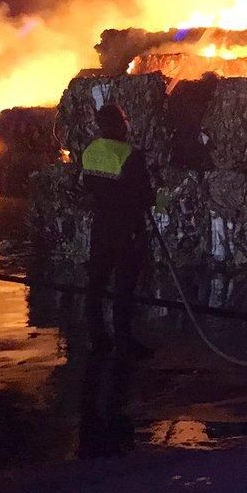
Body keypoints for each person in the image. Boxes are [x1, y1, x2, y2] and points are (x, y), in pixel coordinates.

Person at [81, 103, 155, 358]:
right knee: (124, 288)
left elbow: (87, 188)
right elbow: (145, 195)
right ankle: (124, 341)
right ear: (117, 124)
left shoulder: (90, 151)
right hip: (126, 229)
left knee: (96, 285)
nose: (126, 124)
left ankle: (98, 338)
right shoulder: (130, 155)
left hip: (101, 227)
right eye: (124, 119)